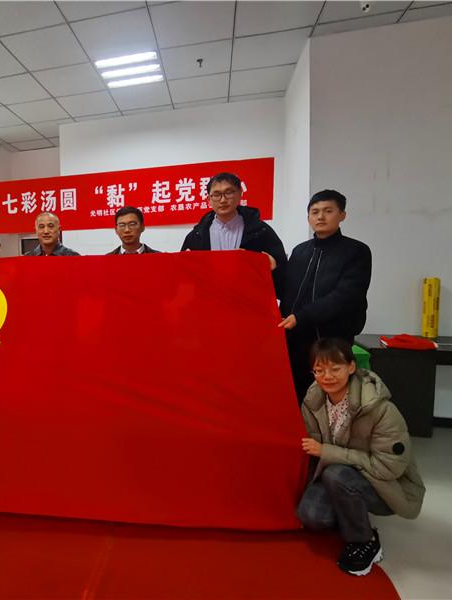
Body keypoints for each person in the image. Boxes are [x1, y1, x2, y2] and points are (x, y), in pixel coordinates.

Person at [296, 338, 424, 576]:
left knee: (336, 475)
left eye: (335, 369)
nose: (327, 376)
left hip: (386, 485)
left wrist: (328, 452)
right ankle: (349, 511)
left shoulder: (380, 409)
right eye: (319, 370)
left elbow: (388, 468)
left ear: (351, 367)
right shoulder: (313, 402)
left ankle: (365, 540)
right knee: (311, 515)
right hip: (339, 474)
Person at [278, 189, 372, 402]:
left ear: (342, 215)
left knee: (332, 396)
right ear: (309, 217)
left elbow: (345, 296)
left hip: (333, 339)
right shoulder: (300, 251)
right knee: (298, 395)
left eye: (328, 211)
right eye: (315, 212)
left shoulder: (356, 251)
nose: (320, 216)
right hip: (296, 341)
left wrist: (302, 316)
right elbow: (287, 290)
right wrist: (268, 269)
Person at [181, 172, 286, 294]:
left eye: (229, 192)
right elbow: (183, 281)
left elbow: (284, 279)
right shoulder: (196, 236)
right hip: (209, 301)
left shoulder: (260, 231)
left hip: (248, 300)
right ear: (209, 199)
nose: (223, 200)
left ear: (240, 193)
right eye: (216, 194)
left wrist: (273, 267)